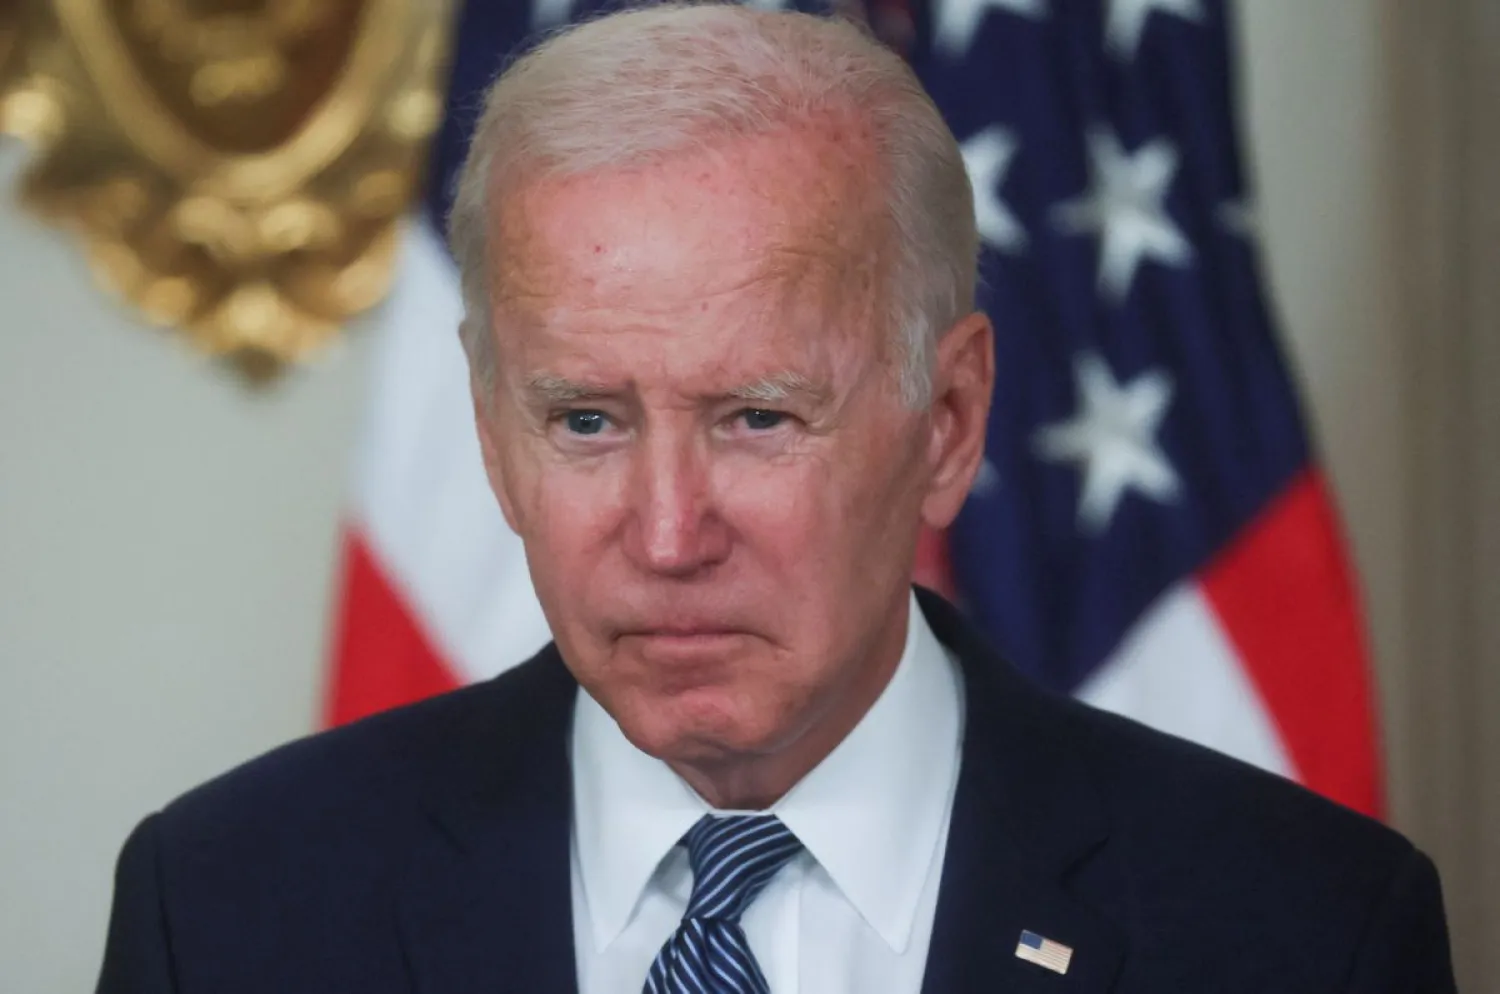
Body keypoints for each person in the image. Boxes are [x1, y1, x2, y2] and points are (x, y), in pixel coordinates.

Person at [96, 5, 1455, 993]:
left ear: (949, 420)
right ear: (490, 430)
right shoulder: (226, 912)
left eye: (757, 418)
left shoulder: (1302, 929)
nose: (670, 534)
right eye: (585, 419)